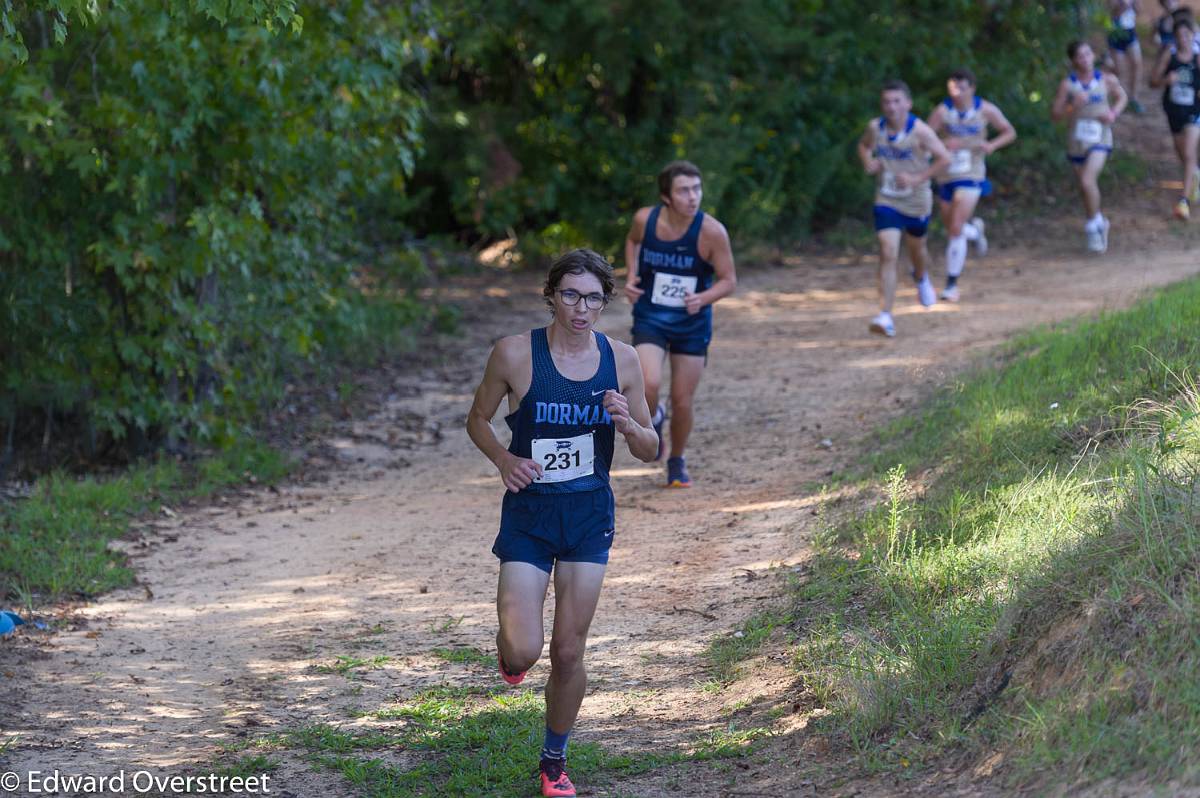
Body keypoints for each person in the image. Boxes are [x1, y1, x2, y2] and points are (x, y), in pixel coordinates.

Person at [466, 249, 658, 798]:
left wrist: (627, 424)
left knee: (569, 652)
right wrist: (505, 460)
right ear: (550, 294)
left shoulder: (622, 360)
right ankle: (510, 656)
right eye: (570, 294)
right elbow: (477, 418)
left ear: (605, 302)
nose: (581, 307)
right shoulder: (514, 354)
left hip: (588, 516)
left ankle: (554, 761)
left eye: (593, 298)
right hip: (529, 515)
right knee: (524, 650)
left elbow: (650, 447)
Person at [623, 160, 736, 488]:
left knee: (683, 400)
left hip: (691, 323)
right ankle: (654, 418)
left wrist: (703, 298)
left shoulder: (711, 231)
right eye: (684, 190)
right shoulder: (645, 220)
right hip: (652, 315)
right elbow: (632, 243)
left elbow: (729, 281)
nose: (693, 197)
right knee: (648, 382)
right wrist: (631, 274)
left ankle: (677, 459)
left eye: (697, 189)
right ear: (666, 197)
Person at [856, 79, 951, 337]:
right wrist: (869, 162)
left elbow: (945, 158)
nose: (892, 107)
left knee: (917, 249)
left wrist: (917, 178)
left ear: (908, 103)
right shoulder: (875, 128)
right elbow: (863, 146)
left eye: (897, 101)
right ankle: (885, 315)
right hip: (887, 199)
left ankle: (921, 277)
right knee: (888, 252)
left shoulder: (920, 131)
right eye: (887, 102)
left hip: (916, 201)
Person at [926, 69, 1017, 302]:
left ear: (972, 88)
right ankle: (975, 231)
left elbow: (1009, 132)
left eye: (961, 87)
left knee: (955, 227)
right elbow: (924, 140)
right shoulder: (942, 111)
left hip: (972, 173)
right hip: (946, 175)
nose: (956, 92)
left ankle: (951, 285)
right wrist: (945, 143)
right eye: (952, 87)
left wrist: (992, 145)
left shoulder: (985, 109)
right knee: (952, 227)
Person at [1052, 41, 1128, 252]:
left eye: (1087, 54)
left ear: (1093, 55)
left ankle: (1093, 227)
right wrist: (1071, 105)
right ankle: (1099, 222)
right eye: (1079, 56)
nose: (1084, 59)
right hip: (1077, 141)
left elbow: (1122, 97)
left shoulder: (1106, 79)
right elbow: (1055, 115)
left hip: (1100, 139)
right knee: (1085, 187)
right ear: (1073, 60)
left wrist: (1113, 114)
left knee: (1087, 180)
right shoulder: (1068, 85)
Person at [1151, 15, 1200, 219]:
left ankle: (1183, 202)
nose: (1184, 38)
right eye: (1180, 35)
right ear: (1175, 37)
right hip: (1174, 112)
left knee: (1189, 153)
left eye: (1187, 34)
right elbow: (1152, 81)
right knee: (1183, 156)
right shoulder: (1168, 56)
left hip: (1194, 112)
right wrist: (1165, 80)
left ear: (1193, 35)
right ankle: (1195, 177)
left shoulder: (1198, 57)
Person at [1109, 0, 1145, 113]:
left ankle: (1134, 99)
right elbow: (1113, 13)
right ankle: (1120, 99)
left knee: (1137, 64)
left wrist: (1134, 4)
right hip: (1116, 32)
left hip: (1130, 31)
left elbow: (1139, 11)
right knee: (1119, 70)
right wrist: (1123, 6)